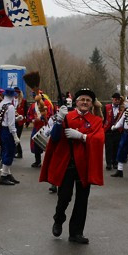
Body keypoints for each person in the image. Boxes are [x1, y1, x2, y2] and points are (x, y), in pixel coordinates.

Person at [40, 88, 105, 244]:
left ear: (91, 104)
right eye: (82, 99)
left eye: (88, 100)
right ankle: (58, 218)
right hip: (67, 164)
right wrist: (59, 120)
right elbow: (54, 138)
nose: (84, 102)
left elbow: (99, 139)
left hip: (84, 166)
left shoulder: (96, 121)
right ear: (76, 102)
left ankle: (76, 233)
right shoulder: (66, 117)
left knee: (82, 200)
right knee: (64, 197)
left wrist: (82, 136)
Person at [0, 88, 21, 185]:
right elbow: (11, 125)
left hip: (3, 130)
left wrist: (16, 118)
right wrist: (15, 136)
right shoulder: (10, 107)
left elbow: (5, 120)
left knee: (6, 151)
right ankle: (3, 176)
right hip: (8, 132)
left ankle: (8, 174)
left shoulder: (1, 104)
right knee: (10, 153)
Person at [27, 88, 54, 168]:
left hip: (45, 126)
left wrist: (42, 118)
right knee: (35, 143)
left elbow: (50, 114)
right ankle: (37, 161)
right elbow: (29, 115)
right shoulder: (32, 105)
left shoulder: (47, 104)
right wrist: (32, 119)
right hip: (36, 126)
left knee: (47, 144)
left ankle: (49, 161)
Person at [103, 93, 123, 170]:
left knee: (116, 147)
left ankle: (115, 162)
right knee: (108, 148)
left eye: (118, 100)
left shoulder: (122, 109)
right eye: (115, 99)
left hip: (118, 131)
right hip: (108, 130)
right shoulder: (107, 107)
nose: (117, 101)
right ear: (112, 99)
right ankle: (108, 163)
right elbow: (104, 118)